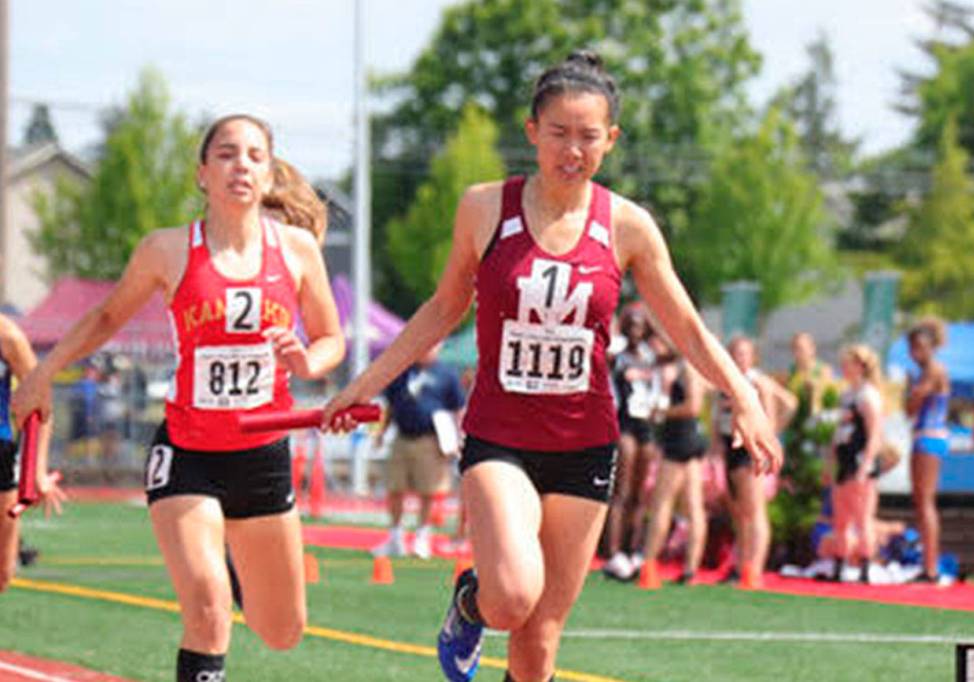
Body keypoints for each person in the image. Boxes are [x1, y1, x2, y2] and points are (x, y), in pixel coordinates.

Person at [322, 51, 782, 682]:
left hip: (584, 443)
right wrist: (362, 385)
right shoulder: (485, 209)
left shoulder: (628, 226)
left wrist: (744, 396)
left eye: (588, 137)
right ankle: (469, 601)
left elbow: (687, 326)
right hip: (500, 438)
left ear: (611, 140)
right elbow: (440, 311)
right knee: (511, 595)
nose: (573, 150)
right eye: (559, 133)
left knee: (539, 644)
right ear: (532, 131)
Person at [12, 115, 346, 681]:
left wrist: (307, 361)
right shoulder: (167, 250)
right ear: (202, 174)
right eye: (226, 154)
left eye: (254, 156)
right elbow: (105, 317)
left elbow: (331, 338)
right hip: (187, 454)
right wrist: (43, 372)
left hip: (262, 456)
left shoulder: (294, 250)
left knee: (281, 629)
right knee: (210, 610)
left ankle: (238, 560)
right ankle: (219, 577)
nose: (241, 164)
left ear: (268, 175)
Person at [711, 336, 795, 588]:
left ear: (753, 356)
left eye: (744, 353)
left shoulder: (758, 381)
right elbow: (717, 420)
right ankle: (740, 565)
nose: (740, 357)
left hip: (750, 448)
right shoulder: (725, 381)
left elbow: (788, 404)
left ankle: (753, 569)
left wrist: (772, 433)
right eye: (736, 352)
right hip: (730, 446)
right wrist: (715, 450)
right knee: (739, 512)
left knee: (755, 510)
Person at [373, 341, 466, 560]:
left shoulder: (446, 375)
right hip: (402, 436)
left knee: (429, 490)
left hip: (431, 439)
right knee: (395, 486)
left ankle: (422, 536)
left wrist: (457, 437)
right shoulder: (402, 371)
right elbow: (389, 406)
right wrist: (380, 434)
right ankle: (395, 536)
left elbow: (457, 408)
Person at [0, 313, 63, 592]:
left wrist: (36, 470)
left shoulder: (8, 336)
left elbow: (41, 404)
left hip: (1, 455)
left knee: (3, 570)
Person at [636, 351, 709, 584]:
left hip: (681, 439)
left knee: (662, 502)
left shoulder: (688, 367)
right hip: (691, 437)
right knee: (693, 504)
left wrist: (661, 412)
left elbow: (693, 406)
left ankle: (649, 564)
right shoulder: (693, 365)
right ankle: (690, 569)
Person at [603, 306, 660, 580]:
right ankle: (613, 553)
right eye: (632, 325)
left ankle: (631, 549)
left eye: (641, 326)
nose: (637, 331)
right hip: (624, 421)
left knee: (640, 494)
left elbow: (674, 352)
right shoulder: (619, 356)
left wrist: (656, 326)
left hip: (646, 423)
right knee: (622, 491)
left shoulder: (650, 356)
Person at [824, 345, 884, 583]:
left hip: (860, 463)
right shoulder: (847, 395)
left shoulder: (869, 396)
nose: (844, 368)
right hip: (845, 460)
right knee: (840, 517)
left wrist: (865, 466)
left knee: (862, 516)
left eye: (848, 363)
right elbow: (838, 432)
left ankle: (865, 567)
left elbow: (875, 434)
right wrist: (830, 462)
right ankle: (839, 564)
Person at [905, 318, 950, 584]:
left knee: (925, 501)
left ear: (931, 347)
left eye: (920, 347)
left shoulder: (934, 370)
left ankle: (931, 568)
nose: (916, 353)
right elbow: (909, 409)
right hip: (922, 436)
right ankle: (927, 564)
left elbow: (912, 403)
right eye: (913, 348)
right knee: (920, 502)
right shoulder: (922, 372)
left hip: (930, 437)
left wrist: (912, 391)